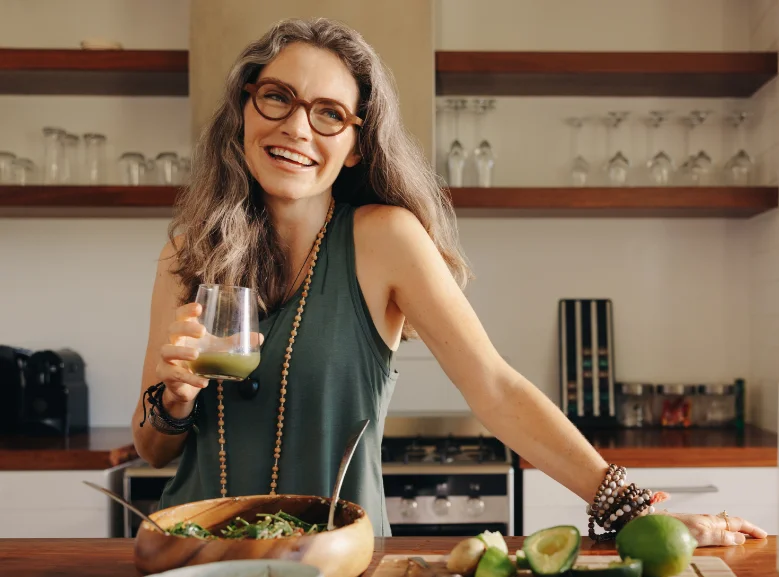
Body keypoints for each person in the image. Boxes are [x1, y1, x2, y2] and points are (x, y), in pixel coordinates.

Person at [131, 16, 767, 546]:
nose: (297, 127)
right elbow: (153, 447)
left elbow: (495, 388)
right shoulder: (187, 252)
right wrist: (173, 399)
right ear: (246, 106)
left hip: (335, 564)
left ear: (355, 145)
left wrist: (630, 508)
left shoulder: (384, 239)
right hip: (192, 560)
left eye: (329, 113)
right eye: (277, 97)